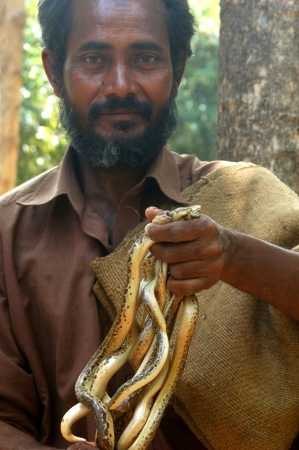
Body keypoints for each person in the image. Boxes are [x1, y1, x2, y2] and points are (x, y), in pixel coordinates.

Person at [1, 0, 299, 449]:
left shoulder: (246, 194)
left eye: (145, 59)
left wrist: (236, 257)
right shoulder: (7, 234)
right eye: (94, 60)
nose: (120, 86)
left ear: (178, 68)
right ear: (53, 70)